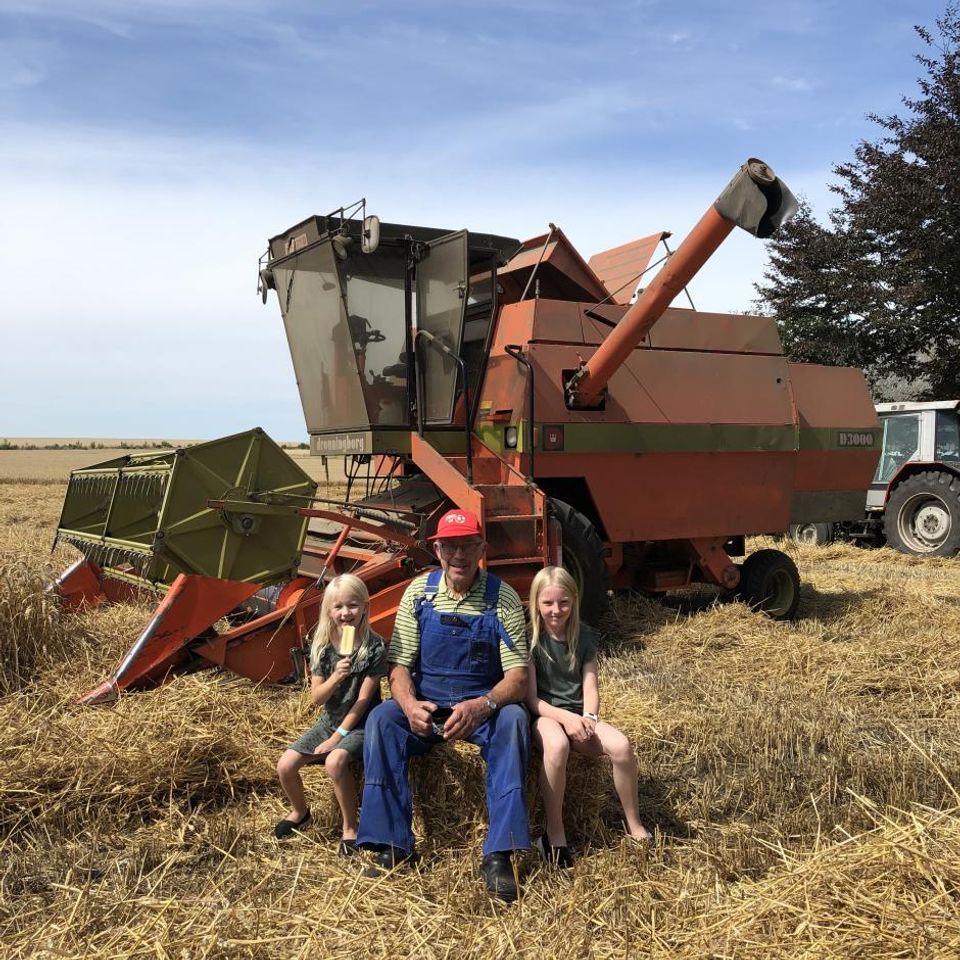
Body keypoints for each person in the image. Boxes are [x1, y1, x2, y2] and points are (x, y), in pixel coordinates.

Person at [356, 508, 530, 902]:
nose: (459, 555)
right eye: (450, 545)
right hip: (428, 705)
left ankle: (500, 853)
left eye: (468, 545)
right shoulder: (419, 593)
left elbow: (518, 678)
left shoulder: (500, 596)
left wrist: (483, 705)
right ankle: (394, 846)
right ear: (436, 549)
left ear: (482, 548)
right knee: (383, 719)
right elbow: (398, 666)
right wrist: (410, 703)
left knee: (515, 720)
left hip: (481, 709)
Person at [526, 566, 651, 868]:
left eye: (564, 602)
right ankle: (555, 833)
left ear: (574, 600)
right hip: (546, 715)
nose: (556, 610)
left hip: (580, 715)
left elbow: (591, 686)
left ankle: (634, 824)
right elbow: (532, 700)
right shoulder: (530, 639)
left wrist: (589, 718)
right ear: (536, 604)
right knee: (557, 746)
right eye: (548, 603)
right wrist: (567, 721)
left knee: (621, 747)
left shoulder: (583, 637)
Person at [274, 574, 387, 855]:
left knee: (335, 762)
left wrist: (338, 738)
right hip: (329, 720)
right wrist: (336, 677)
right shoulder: (322, 647)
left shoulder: (374, 647)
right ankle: (300, 812)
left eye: (352, 605)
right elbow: (316, 698)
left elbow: (363, 701)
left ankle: (350, 828)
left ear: (364, 607)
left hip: (362, 723)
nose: (345, 613)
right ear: (328, 611)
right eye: (338, 607)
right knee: (285, 766)